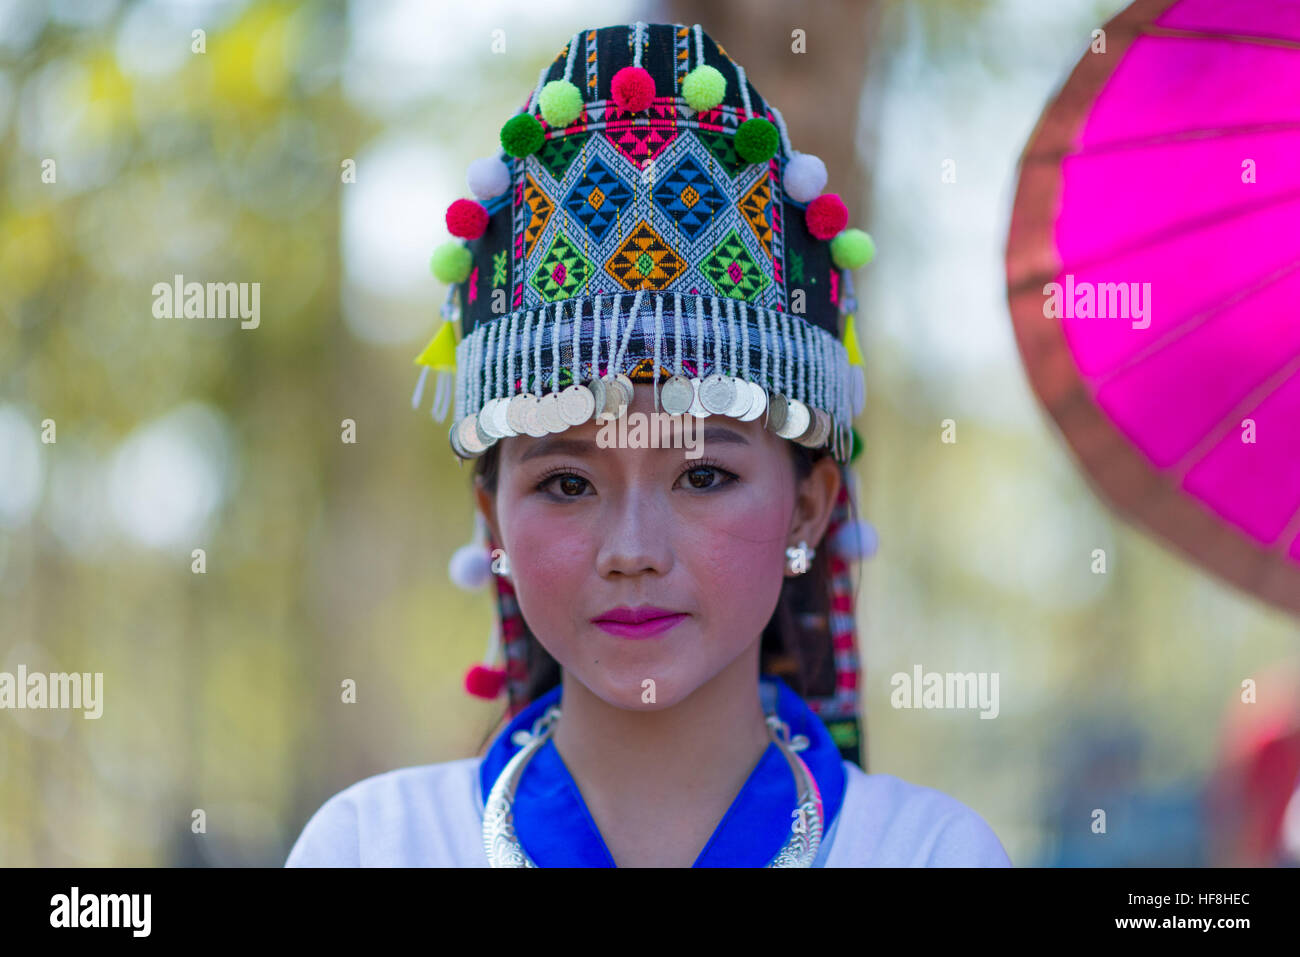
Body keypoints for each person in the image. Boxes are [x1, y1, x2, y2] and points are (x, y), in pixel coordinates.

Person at [286, 21, 1011, 868]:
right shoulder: (375, 845)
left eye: (703, 473)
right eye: (566, 483)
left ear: (808, 511)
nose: (633, 551)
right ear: (492, 524)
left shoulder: (926, 853)